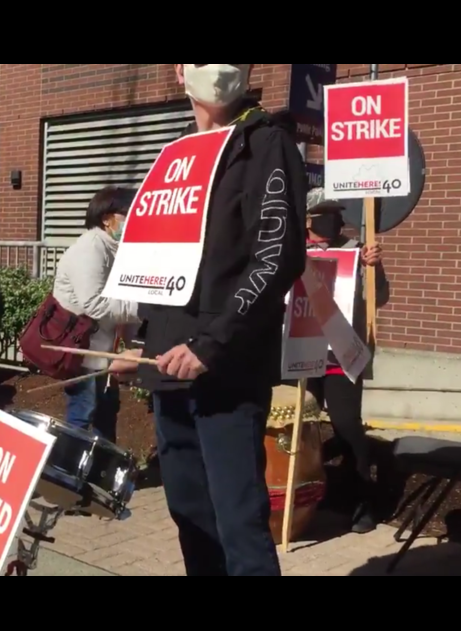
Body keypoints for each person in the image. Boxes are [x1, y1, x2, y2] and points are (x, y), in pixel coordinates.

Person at [109, 64, 307, 576]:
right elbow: (166, 268)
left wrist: (210, 345)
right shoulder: (176, 156)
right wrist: (147, 348)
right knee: (192, 522)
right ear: (179, 72)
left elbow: (278, 256)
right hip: (169, 377)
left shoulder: (267, 143)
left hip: (227, 377)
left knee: (239, 528)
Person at [304, 187, 389, 534]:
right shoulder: (291, 250)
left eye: (337, 212)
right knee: (303, 428)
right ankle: (307, 493)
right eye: (324, 212)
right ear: (308, 219)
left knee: (347, 425)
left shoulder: (356, 252)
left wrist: (375, 267)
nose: (333, 219)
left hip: (342, 351)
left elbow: (379, 297)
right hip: (300, 351)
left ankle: (363, 500)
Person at [52, 186, 140, 442]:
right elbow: (93, 303)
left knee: (106, 413)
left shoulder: (114, 248)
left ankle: (102, 471)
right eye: (128, 215)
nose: (133, 221)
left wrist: (134, 343)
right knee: (82, 414)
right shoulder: (91, 247)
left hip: (103, 353)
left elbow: (120, 300)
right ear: (107, 218)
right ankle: (69, 475)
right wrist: (140, 309)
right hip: (83, 354)